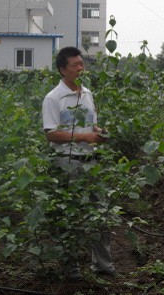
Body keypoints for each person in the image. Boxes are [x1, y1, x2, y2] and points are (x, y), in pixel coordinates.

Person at [42, 46, 116, 279]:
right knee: (69, 215)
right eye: (75, 65)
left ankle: (103, 264)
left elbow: (91, 125)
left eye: (82, 64)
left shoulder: (87, 94)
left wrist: (99, 132)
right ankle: (70, 267)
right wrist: (84, 137)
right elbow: (51, 134)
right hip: (67, 162)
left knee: (101, 213)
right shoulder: (54, 98)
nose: (81, 68)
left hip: (90, 162)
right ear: (63, 70)